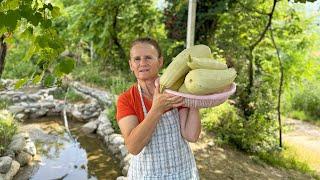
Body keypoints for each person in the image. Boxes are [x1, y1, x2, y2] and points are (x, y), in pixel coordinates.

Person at [116, 37, 201, 179]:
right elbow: (133, 147)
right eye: (137, 59)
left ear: (160, 61)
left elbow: (191, 135)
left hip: (183, 173)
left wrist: (194, 102)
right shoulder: (127, 99)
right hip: (146, 175)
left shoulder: (176, 89)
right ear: (131, 65)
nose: (142, 63)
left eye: (148, 57)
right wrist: (156, 109)